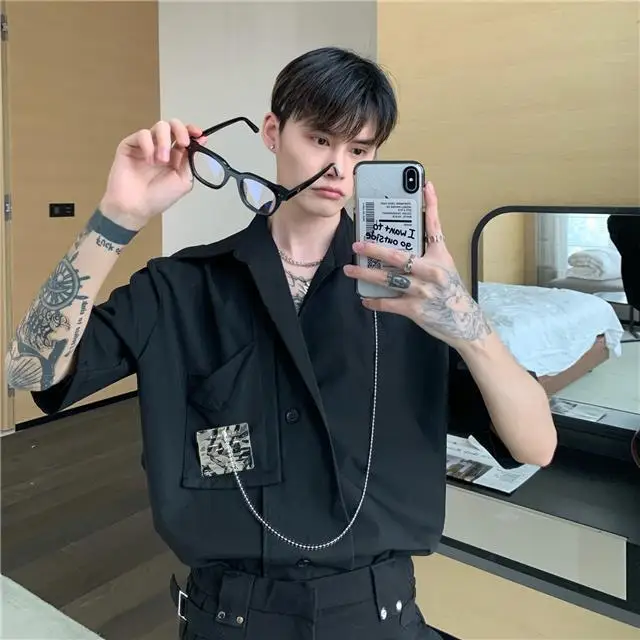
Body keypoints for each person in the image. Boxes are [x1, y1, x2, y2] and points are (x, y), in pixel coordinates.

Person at [5, 47, 557, 640]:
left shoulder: (419, 300)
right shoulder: (181, 286)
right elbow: (28, 370)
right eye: (320, 139)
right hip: (228, 618)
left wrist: (466, 322)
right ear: (273, 132)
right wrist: (118, 216)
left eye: (360, 151)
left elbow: (536, 445)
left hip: (380, 618)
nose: (339, 168)